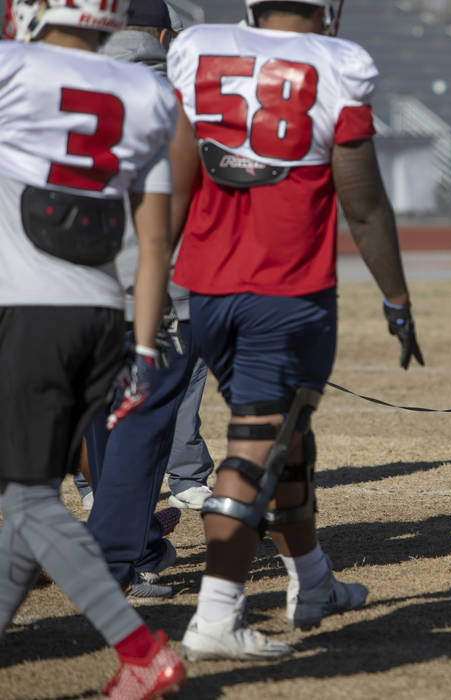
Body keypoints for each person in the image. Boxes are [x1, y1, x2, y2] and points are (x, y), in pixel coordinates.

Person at [168, 0, 424, 660]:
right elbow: (362, 204)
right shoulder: (338, 63)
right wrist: (396, 297)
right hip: (284, 289)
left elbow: (173, 180)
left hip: (208, 286)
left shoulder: (199, 47)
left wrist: (151, 283)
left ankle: (314, 582)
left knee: (286, 434)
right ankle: (217, 612)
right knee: (258, 440)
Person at [0, 1, 184, 697]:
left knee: (31, 501)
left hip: (30, 309)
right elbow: (154, 237)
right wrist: (140, 347)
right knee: (31, 498)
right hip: (105, 318)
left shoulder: (12, 66)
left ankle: (139, 650)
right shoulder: (146, 89)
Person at [76, 0, 207, 603]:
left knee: (99, 419)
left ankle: (134, 536)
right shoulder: (173, 99)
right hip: (156, 285)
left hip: (71, 284)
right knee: (146, 426)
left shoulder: (70, 81)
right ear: (162, 35)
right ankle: (126, 556)